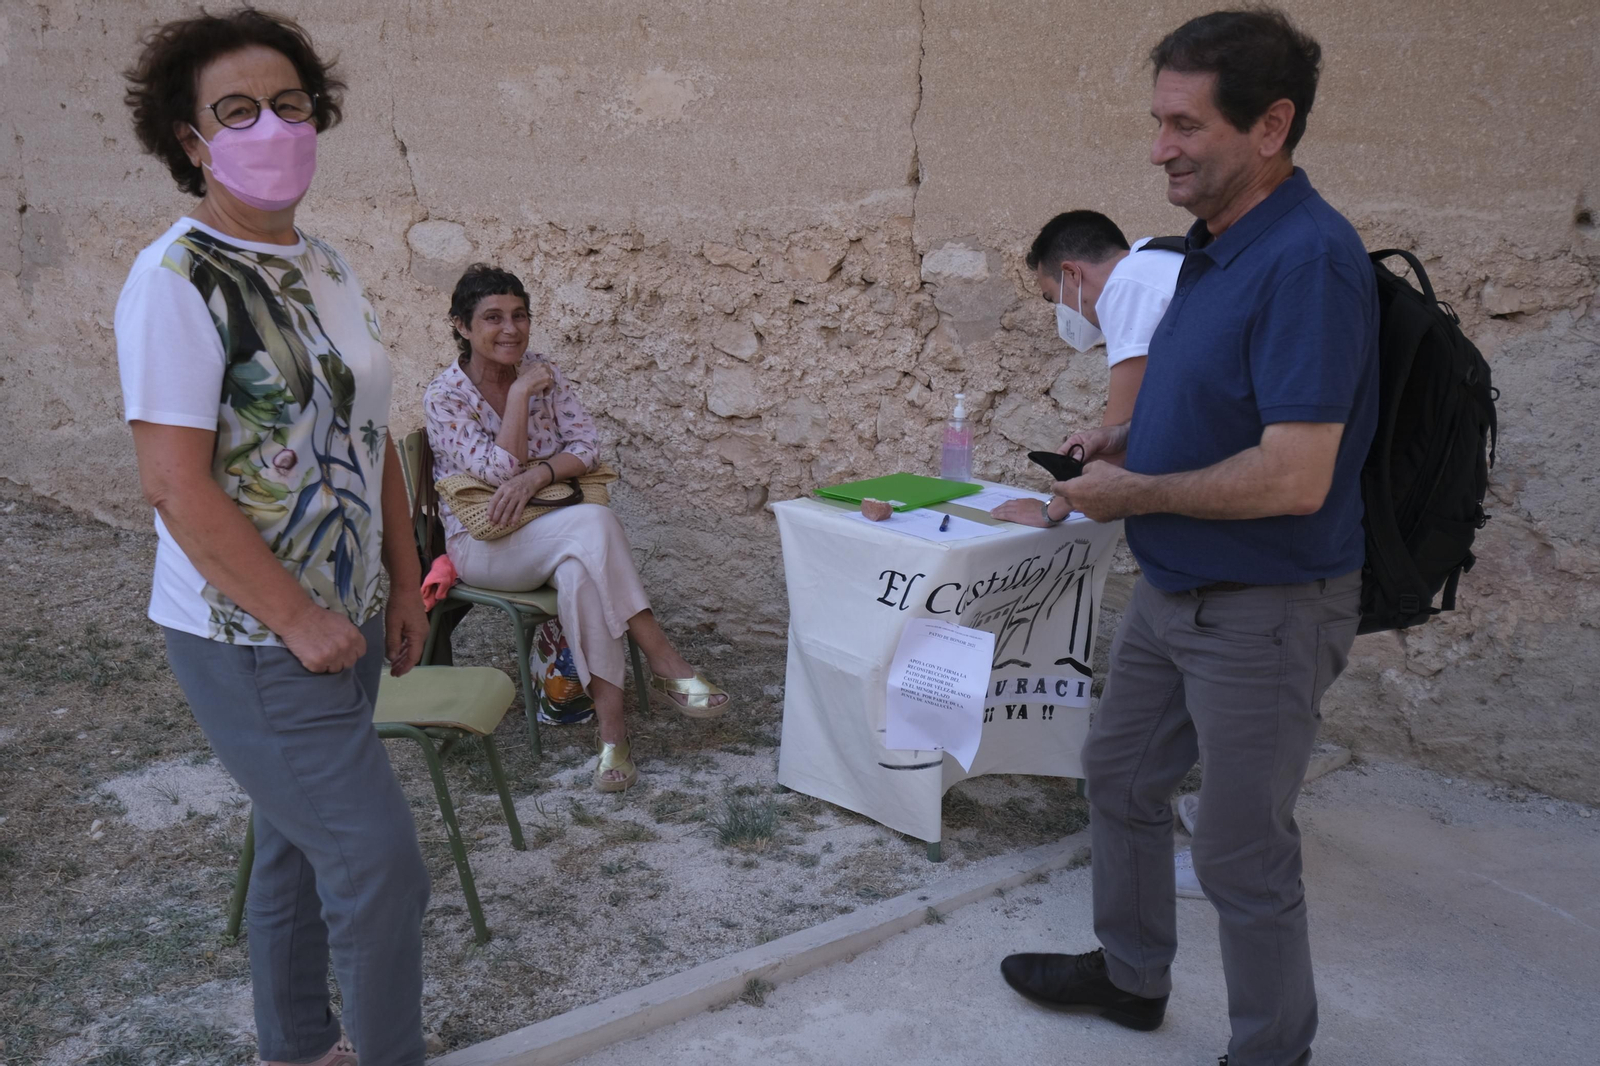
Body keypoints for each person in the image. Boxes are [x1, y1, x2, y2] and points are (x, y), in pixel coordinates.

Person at [998, 9, 1378, 1066]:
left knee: (1241, 851)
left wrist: (1137, 490)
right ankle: (1129, 977)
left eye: (1183, 125)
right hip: (1178, 591)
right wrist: (1127, 430)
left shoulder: (1305, 260)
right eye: (1155, 120)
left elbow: (1296, 473)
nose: (1157, 147)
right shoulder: (1216, 244)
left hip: (1264, 610)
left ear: (1270, 126)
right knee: (1118, 776)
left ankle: (1269, 1049)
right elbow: (1219, 395)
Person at [116, 9, 431, 1066]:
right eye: (236, 110)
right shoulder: (176, 280)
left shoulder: (326, 264)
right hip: (253, 634)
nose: (270, 125)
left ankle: (297, 1047)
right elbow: (174, 483)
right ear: (190, 139)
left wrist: (405, 581)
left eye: (288, 104)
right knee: (380, 863)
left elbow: (370, 430)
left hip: (346, 617)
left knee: (299, 852)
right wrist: (298, 616)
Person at [423, 264, 731, 793]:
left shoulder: (545, 369)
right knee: (594, 521)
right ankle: (663, 659)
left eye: (520, 316)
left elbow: (586, 446)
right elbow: (499, 471)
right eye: (493, 318)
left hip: (553, 532)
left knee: (579, 572)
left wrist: (540, 474)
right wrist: (518, 397)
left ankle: (614, 738)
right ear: (461, 326)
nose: (511, 329)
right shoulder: (445, 396)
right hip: (484, 544)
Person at [993, 212, 1202, 899]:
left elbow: (1132, 440)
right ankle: (1225, 819)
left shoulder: (1131, 287)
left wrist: (1055, 507)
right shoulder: (1165, 261)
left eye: (1055, 298)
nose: (1066, 314)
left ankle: (1225, 850)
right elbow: (1142, 424)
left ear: (1074, 274)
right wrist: (1111, 436)